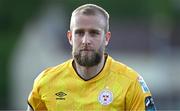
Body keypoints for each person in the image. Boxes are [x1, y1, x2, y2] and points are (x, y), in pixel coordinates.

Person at [27, 4, 156, 111]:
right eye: (79, 33)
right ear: (70, 37)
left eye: (94, 33)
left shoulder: (131, 84)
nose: (86, 40)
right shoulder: (46, 82)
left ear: (106, 38)